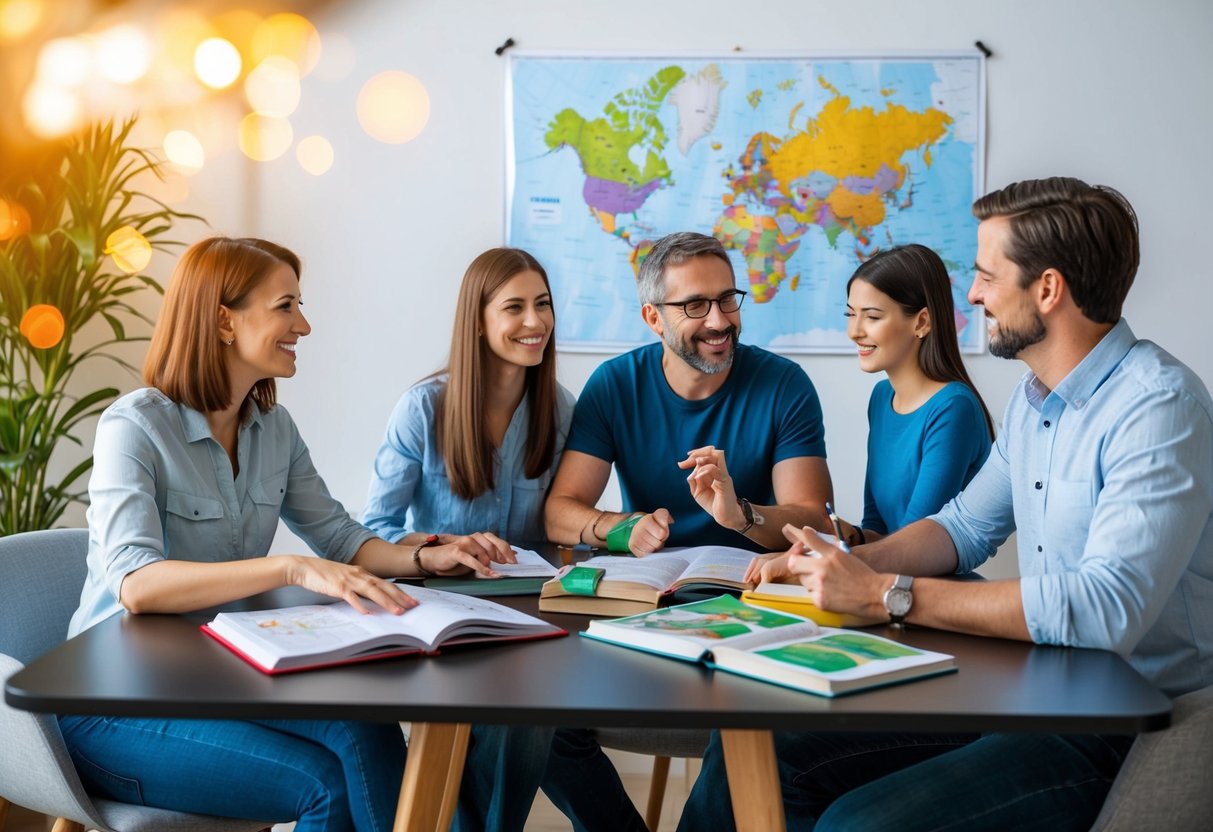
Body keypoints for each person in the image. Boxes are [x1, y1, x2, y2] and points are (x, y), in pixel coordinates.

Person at [678, 177, 1213, 831]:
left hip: (1125, 722)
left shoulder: (1158, 407)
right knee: (752, 753)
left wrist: (883, 593)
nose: (974, 293)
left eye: (987, 274)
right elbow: (962, 527)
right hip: (1042, 692)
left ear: (1046, 290)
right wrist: (843, 561)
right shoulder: (1034, 400)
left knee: (859, 824)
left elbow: (1104, 610)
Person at [59, 237, 501, 832]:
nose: (305, 325)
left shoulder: (273, 428)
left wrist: (426, 558)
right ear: (223, 320)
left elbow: (340, 536)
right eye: (286, 306)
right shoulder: (134, 428)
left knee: (364, 728)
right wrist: (291, 568)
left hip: (219, 678)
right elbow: (138, 584)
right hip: (113, 705)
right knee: (326, 787)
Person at [536, 231, 836, 831]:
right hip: (645, 607)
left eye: (728, 299)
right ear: (653, 316)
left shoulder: (784, 385)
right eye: (695, 305)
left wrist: (740, 516)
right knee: (536, 718)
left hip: (757, 611)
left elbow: (816, 519)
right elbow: (560, 510)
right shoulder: (615, 385)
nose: (720, 320)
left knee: (760, 728)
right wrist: (621, 530)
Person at [358, 246, 575, 832]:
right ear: (477, 321)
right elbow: (371, 531)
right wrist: (440, 546)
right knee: (514, 714)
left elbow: (567, 521)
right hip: (435, 608)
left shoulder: (558, 410)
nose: (535, 322)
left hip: (526, 619)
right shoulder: (423, 408)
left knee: (530, 714)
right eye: (514, 308)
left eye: (543, 305)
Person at [752, 244, 993, 592]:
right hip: (879, 580)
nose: (855, 331)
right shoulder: (881, 398)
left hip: (929, 593)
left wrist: (814, 562)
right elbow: (876, 525)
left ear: (921, 322)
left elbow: (916, 539)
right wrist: (827, 540)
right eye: (851, 314)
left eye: (872, 316)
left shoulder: (954, 408)